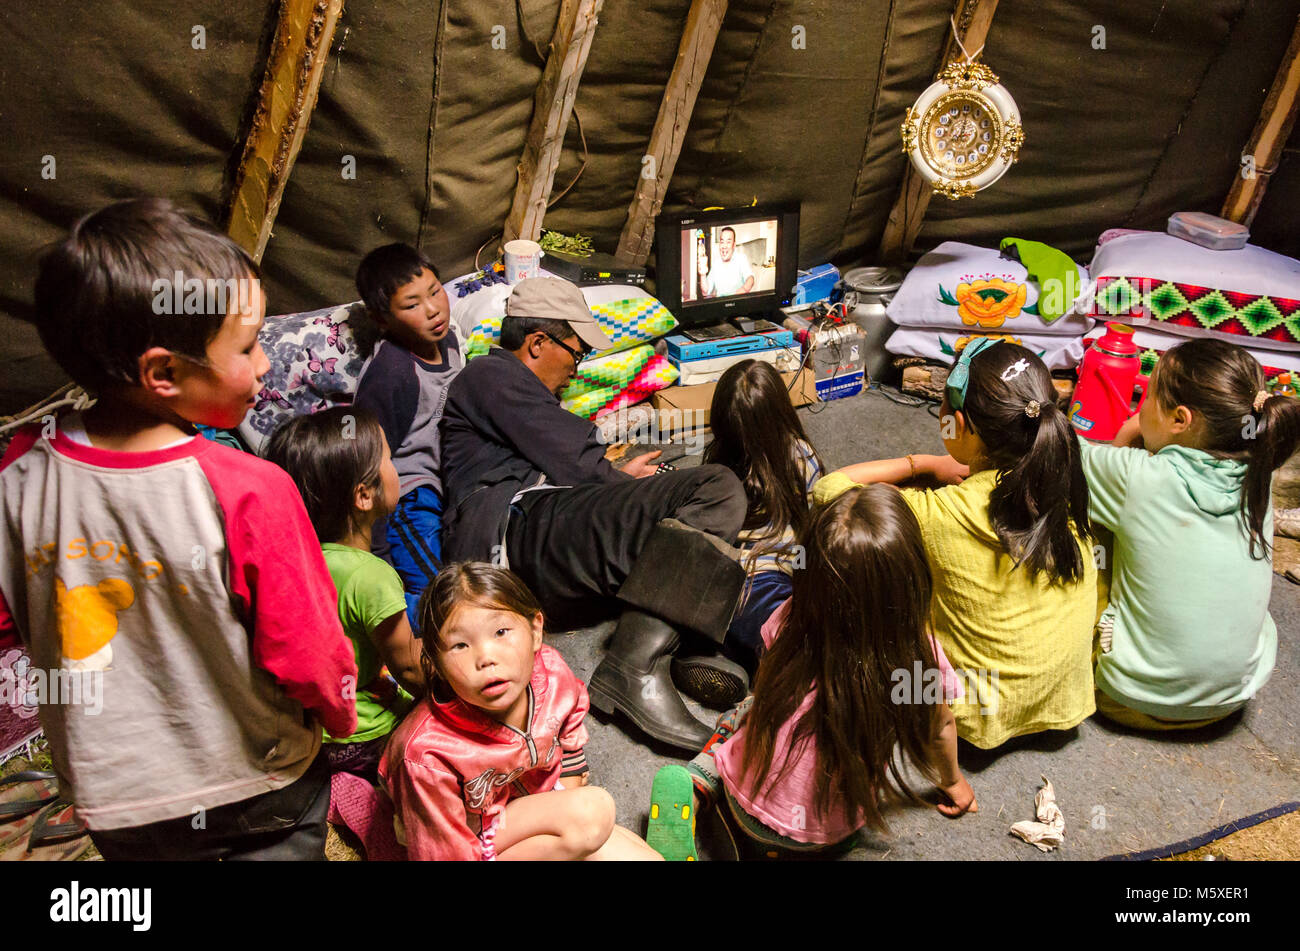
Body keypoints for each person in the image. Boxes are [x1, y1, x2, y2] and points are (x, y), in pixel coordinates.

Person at [0, 198, 357, 859]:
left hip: (121, 802)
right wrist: (338, 717)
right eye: (248, 347)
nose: (264, 365)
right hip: (261, 783)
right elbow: (308, 651)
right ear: (163, 373)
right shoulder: (249, 489)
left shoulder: (18, 477)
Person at [439, 277, 750, 752]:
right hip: (515, 533)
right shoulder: (490, 376)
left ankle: (680, 644)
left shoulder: (514, 395)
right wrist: (623, 487)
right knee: (715, 488)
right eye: (577, 352)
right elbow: (577, 462)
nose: (577, 368)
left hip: (545, 536)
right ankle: (632, 670)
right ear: (538, 342)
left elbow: (575, 469)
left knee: (676, 528)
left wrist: (620, 478)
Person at [647, 486, 977, 861]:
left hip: (743, 808)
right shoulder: (921, 658)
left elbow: (768, 679)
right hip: (823, 836)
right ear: (910, 579)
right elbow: (940, 727)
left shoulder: (790, 619)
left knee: (744, 711)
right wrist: (952, 780)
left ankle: (697, 784)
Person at [816, 339, 1097, 749]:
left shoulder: (944, 513)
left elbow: (830, 490)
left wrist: (923, 463)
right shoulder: (1064, 478)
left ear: (961, 426)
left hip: (975, 716)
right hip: (1063, 702)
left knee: (858, 557)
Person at [1080, 338, 1299, 729]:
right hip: (1229, 702)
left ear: (1179, 420)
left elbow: (1054, 452)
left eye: (1146, 397)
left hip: (1131, 698)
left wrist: (1126, 436)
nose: (1139, 407)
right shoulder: (1259, 479)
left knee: (1084, 525)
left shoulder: (1139, 476)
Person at [380, 563, 662, 860]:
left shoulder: (551, 672)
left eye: (501, 632)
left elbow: (570, 726)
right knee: (592, 814)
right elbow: (441, 850)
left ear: (535, 630)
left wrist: (563, 792)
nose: (486, 658)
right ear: (436, 662)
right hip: (466, 837)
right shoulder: (425, 755)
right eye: (460, 645)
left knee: (638, 853)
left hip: (526, 804)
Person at [264, 406, 425, 781]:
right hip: (365, 735)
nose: (395, 465)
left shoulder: (287, 560)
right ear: (364, 496)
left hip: (308, 731)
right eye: (388, 458)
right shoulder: (371, 576)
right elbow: (410, 669)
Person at [354, 243, 466, 624]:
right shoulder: (392, 375)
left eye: (435, 291)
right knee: (442, 594)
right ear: (382, 319)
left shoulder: (450, 341)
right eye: (412, 304)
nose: (433, 309)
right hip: (410, 497)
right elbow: (367, 463)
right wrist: (377, 552)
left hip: (451, 484)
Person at [701, 358, 822, 669]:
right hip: (768, 579)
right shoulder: (801, 457)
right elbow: (813, 535)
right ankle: (769, 674)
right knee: (797, 637)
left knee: (763, 627)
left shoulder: (716, 458)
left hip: (721, 582)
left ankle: (720, 652)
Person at [698, 226, 755, 298]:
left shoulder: (741, 258)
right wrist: (703, 274)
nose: (724, 246)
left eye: (728, 242)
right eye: (722, 242)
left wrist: (742, 291)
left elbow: (750, 279)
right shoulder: (716, 263)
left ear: (734, 245)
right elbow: (705, 292)